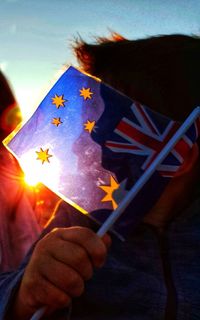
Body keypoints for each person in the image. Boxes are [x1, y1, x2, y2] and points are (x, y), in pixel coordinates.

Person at [1, 33, 200, 320]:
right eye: (90, 114)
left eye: (106, 124)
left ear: (178, 153)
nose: (81, 141)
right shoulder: (79, 220)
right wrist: (24, 293)